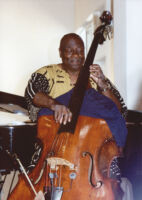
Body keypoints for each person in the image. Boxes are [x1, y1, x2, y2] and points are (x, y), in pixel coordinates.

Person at [25, 33, 129, 199]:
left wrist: (102, 84)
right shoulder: (46, 73)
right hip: (55, 147)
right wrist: (54, 104)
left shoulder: (96, 77)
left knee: (112, 177)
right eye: (70, 51)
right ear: (60, 52)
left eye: (80, 51)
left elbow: (120, 111)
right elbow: (32, 94)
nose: (76, 55)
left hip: (91, 152)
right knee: (33, 178)